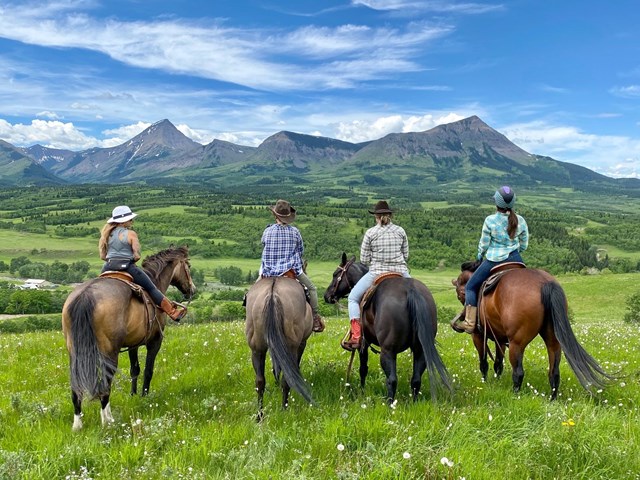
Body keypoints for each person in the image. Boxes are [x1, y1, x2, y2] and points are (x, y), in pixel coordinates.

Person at [451, 186, 529, 334]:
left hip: (494, 260)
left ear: (497, 203)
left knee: (470, 287)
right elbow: (524, 244)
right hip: (516, 259)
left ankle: (469, 322)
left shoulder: (490, 220)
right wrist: (516, 251)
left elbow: (484, 244)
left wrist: (480, 255)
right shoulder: (521, 220)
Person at [341, 200, 410, 351]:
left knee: (352, 298)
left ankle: (356, 336)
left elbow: (364, 260)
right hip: (400, 271)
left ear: (376, 217)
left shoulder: (371, 233)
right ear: (390, 215)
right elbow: (406, 255)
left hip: (377, 272)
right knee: (418, 295)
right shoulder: (400, 231)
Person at [98, 205, 187, 321]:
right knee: (152, 288)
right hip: (127, 267)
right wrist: (130, 260)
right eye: (130, 219)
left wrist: (114, 260)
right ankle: (173, 312)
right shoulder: (131, 234)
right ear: (123, 221)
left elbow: (102, 256)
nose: (132, 221)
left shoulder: (105, 235)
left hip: (108, 266)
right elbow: (137, 256)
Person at [260, 199, 325, 333]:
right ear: (288, 217)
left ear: (275, 215)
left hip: (267, 270)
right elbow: (300, 251)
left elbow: (264, 244)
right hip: (289, 270)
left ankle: (249, 312)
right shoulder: (295, 232)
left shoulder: (267, 231)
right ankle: (315, 317)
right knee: (312, 288)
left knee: (252, 292)